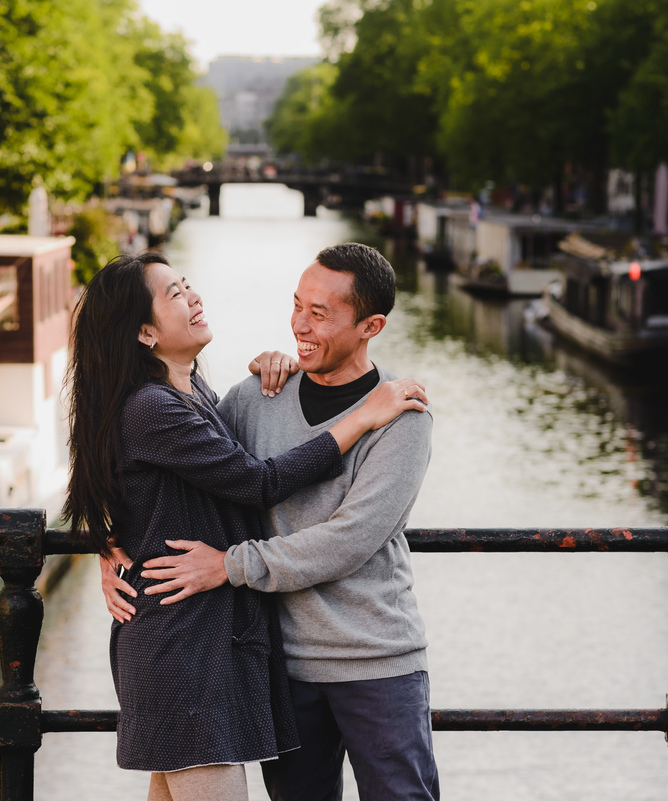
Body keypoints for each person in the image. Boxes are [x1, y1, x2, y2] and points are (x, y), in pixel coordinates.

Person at [65, 251, 428, 801]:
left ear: (371, 327)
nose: (301, 324)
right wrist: (112, 545)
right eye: (297, 307)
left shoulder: (207, 397)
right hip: (226, 655)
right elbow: (241, 482)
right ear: (142, 331)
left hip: (333, 654)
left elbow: (348, 536)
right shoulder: (213, 402)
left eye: (320, 313)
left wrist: (208, 560)